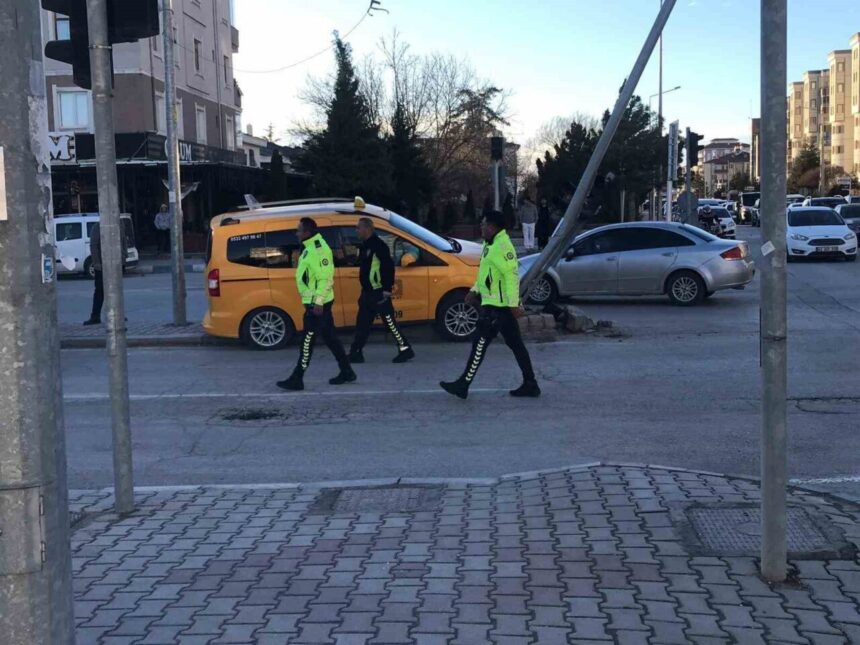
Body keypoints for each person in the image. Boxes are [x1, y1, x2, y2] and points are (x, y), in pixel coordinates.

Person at [440, 210, 540, 400]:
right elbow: (487, 274)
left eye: (484, 224)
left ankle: (463, 384)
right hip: (493, 303)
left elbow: (511, 276)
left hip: (498, 307)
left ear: (493, 227)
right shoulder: (490, 244)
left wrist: (513, 304)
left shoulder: (502, 246)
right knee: (516, 344)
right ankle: (531, 383)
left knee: (480, 343)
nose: (481, 227)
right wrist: (475, 290)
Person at [277, 217, 356, 391]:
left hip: (318, 305)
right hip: (316, 303)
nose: (296, 233)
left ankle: (297, 378)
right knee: (331, 339)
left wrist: (318, 302)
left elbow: (326, 278)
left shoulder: (318, 250)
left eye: (299, 230)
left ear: (307, 232)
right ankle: (347, 371)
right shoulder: (309, 247)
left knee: (307, 342)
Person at [348, 217, 415, 364]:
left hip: (378, 292)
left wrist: (386, 289)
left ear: (367, 229)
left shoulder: (379, 246)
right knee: (362, 324)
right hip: (367, 292)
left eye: (358, 228)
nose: (356, 230)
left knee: (389, 322)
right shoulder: (365, 246)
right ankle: (356, 352)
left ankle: (405, 349)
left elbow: (388, 267)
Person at [83, 222, 127, 326]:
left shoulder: (119, 225)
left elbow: (123, 241)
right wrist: (97, 263)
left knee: (116, 289)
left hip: (116, 263)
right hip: (102, 264)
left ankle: (118, 314)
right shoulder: (97, 227)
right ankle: (95, 316)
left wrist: (124, 255)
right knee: (100, 291)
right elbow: (93, 245)